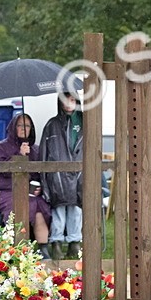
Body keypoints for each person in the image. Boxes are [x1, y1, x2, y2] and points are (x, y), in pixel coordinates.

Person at [0, 113, 53, 258]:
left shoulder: (35, 149)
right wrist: (19, 155)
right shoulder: (1, 148)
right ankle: (17, 248)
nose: (24, 128)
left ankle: (43, 250)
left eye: (27, 125)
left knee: (40, 205)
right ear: (13, 127)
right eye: (20, 125)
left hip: (27, 192)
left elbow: (38, 175)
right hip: (1, 190)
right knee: (19, 205)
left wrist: (38, 187)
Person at [40, 88, 84, 261]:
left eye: (73, 99)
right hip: (57, 176)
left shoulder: (85, 122)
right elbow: (44, 152)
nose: (69, 103)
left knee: (76, 210)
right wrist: (45, 179)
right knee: (58, 211)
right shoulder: (52, 125)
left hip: (80, 175)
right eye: (66, 100)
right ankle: (56, 243)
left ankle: (75, 243)